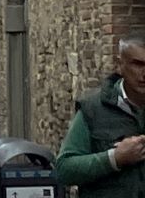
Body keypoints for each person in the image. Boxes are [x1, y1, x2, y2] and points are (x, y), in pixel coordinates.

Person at [56, 32, 145, 197]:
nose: (144, 73)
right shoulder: (94, 109)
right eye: (138, 64)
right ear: (119, 65)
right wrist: (114, 158)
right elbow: (64, 169)